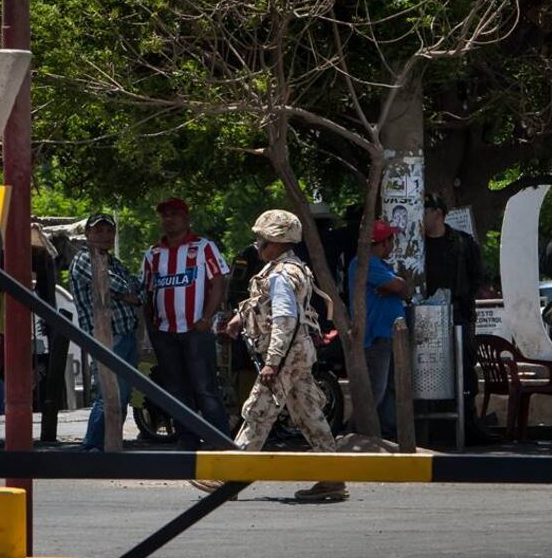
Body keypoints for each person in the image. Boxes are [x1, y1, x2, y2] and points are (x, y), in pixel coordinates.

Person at [191, 210, 347, 501]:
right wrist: (240, 318)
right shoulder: (287, 268)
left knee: (257, 413)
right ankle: (332, 477)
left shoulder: (281, 275)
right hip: (297, 352)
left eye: (261, 239)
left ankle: (230, 478)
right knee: (309, 414)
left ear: (275, 242)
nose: (257, 244)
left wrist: (273, 363)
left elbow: (285, 321)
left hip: (286, 354)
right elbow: (266, 305)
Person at [141, 198, 230, 450]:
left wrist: (206, 317)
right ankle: (187, 439)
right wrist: (152, 329)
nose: (169, 219)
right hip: (165, 333)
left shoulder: (204, 248)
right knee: (176, 390)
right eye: (165, 215)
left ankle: (219, 441)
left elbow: (218, 283)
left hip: (196, 331)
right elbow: (147, 292)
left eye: (175, 214)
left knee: (205, 388)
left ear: (186, 218)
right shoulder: (153, 254)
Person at [423, 193, 495, 444]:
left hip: (459, 317)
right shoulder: (416, 245)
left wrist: (462, 300)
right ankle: (431, 430)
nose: (421, 215)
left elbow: (477, 277)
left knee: (464, 371)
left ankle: (468, 425)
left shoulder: (462, 243)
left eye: (425, 209)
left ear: (438, 213)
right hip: (426, 320)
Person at [69, 213, 143, 451]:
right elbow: (115, 284)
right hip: (107, 337)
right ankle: (92, 446)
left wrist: (129, 294)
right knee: (109, 394)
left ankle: (111, 444)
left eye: (109, 231)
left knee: (121, 397)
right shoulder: (82, 259)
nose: (104, 235)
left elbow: (139, 288)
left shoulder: (114, 262)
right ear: (88, 234)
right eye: (98, 231)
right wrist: (126, 294)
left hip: (126, 334)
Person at [348, 219, 405, 438]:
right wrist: (395, 286)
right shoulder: (365, 263)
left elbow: (402, 287)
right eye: (391, 239)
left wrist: (396, 286)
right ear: (384, 242)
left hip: (387, 335)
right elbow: (399, 285)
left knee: (389, 390)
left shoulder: (380, 265)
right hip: (375, 337)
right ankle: (356, 434)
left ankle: (386, 435)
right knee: (375, 392)